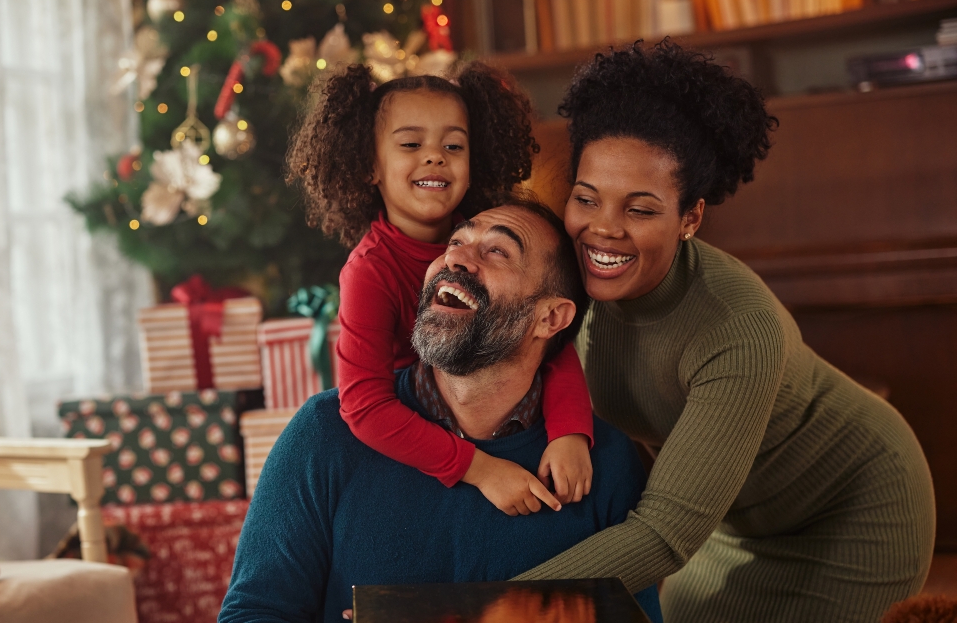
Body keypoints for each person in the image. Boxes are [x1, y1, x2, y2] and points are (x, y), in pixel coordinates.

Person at [514, 39, 935, 622]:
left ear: (690, 218)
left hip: (849, 510)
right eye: (587, 199)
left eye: (640, 209)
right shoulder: (565, 279)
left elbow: (664, 534)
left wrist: (477, 607)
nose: (602, 231)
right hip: (724, 520)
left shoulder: (738, 329)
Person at [219, 201, 662, 623]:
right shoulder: (324, 434)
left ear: (550, 318)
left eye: (497, 251)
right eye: (455, 242)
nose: (457, 260)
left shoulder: (605, 463)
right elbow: (252, 613)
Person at [286, 62, 594, 516]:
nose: (435, 156)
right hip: (419, 432)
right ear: (370, 164)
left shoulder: (492, 234)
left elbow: (549, 335)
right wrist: (480, 470)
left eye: (453, 145)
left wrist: (571, 431)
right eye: (411, 143)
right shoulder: (369, 271)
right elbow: (365, 405)